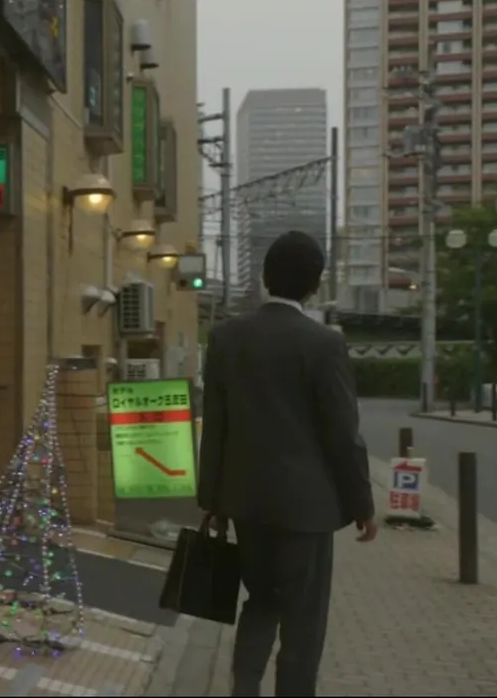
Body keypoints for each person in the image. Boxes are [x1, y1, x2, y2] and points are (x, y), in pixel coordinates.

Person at [197, 230, 378, 697]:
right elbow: (343, 433)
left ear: (265, 277)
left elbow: (216, 424)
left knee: (260, 600)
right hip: (307, 509)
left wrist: (211, 498)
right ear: (315, 284)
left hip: (245, 501)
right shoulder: (324, 343)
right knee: (304, 619)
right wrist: (362, 503)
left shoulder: (226, 337)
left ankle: (244, 687)